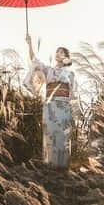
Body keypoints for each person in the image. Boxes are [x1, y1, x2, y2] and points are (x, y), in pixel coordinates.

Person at [25, 35, 75, 167]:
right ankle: (50, 164)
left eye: (62, 52)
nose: (58, 53)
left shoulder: (70, 74)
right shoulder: (49, 70)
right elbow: (34, 60)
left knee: (63, 135)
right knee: (50, 133)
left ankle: (63, 166)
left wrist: (72, 109)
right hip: (50, 104)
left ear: (66, 57)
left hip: (64, 105)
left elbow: (72, 94)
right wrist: (30, 43)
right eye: (57, 51)